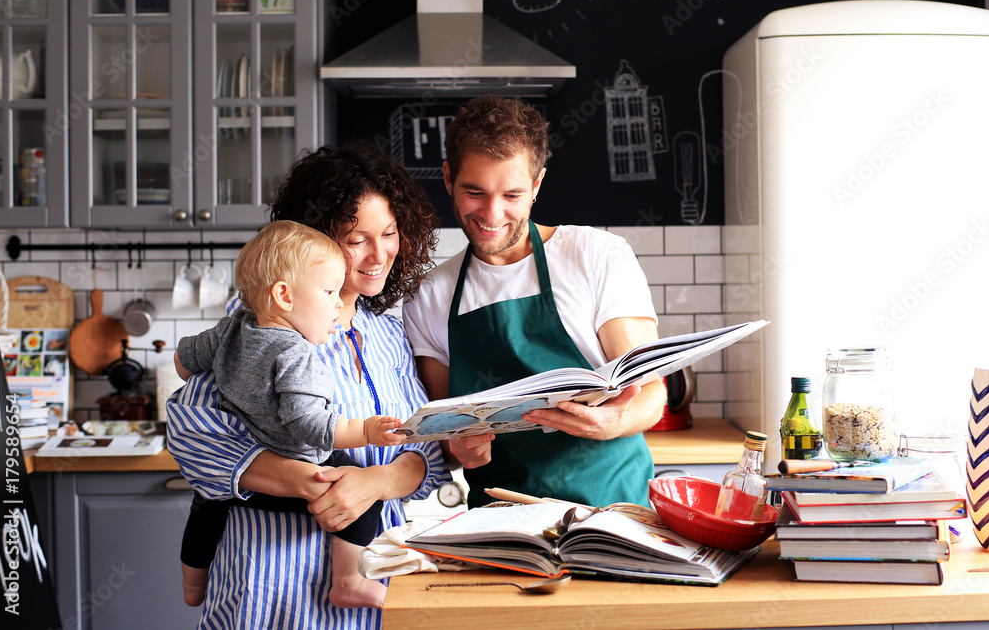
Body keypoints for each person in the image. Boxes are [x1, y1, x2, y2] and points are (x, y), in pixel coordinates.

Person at [165, 142, 450, 629]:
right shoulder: (261, 325)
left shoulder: (388, 331)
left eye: (389, 233)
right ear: (313, 238)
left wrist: (373, 483)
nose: (378, 254)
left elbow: (428, 453)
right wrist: (312, 483)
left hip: (373, 589)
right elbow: (191, 431)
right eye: (356, 239)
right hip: (270, 588)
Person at [403, 95, 668, 509]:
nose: (492, 214)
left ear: (537, 186)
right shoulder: (430, 295)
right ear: (448, 177)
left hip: (614, 511)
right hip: (500, 527)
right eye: (475, 191)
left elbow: (651, 392)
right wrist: (460, 449)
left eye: (512, 195)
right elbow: (443, 433)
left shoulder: (596, 255)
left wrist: (612, 422)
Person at [174, 220, 405, 610]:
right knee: (367, 500)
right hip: (301, 469)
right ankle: (348, 580)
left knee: (206, 506)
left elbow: (185, 360)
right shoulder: (298, 356)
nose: (337, 301)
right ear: (284, 295)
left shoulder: (232, 329)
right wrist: (366, 430)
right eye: (330, 291)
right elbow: (312, 427)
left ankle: (192, 584)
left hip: (242, 477)